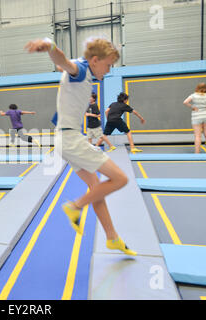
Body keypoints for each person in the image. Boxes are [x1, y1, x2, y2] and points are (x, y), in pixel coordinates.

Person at [25, 37, 136, 255]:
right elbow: (63, 61)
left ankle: (112, 237)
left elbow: (62, 64)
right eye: (108, 65)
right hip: (70, 140)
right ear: (95, 60)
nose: (109, 70)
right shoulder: (81, 71)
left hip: (65, 140)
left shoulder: (82, 68)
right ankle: (75, 206)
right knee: (120, 179)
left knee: (97, 189)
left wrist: (57, 58)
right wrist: (50, 45)